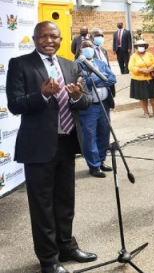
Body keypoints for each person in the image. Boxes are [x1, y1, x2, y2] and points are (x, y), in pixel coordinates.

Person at [6, 21, 96, 273]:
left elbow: (85, 100)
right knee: (42, 204)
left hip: (66, 142)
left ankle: (67, 246)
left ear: (60, 39)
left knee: (65, 200)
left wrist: (78, 96)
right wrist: (42, 94)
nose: (49, 41)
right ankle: (48, 259)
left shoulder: (70, 64)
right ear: (34, 39)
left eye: (54, 37)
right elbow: (14, 105)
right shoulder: (20, 64)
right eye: (43, 36)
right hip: (37, 147)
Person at [76, 40, 117, 178]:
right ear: (80, 50)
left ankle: (101, 160)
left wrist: (95, 79)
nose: (88, 49)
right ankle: (93, 165)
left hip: (104, 104)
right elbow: (85, 80)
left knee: (104, 133)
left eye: (90, 46)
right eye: (85, 47)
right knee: (89, 136)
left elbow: (112, 79)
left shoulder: (100, 63)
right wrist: (101, 79)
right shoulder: (76, 65)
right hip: (89, 107)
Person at [128, 40, 154, 118]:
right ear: (136, 47)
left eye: (143, 45)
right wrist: (141, 70)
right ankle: (146, 113)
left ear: (145, 47)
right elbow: (131, 67)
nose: (141, 47)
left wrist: (149, 70)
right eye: (139, 46)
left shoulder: (149, 54)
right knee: (142, 97)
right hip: (139, 80)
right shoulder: (133, 56)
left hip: (151, 78)